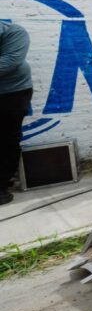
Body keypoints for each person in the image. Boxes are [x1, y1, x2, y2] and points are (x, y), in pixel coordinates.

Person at [0, 21, 32, 205]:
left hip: (11, 93)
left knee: (6, 139)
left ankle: (2, 185)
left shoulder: (13, 31)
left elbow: (10, 61)